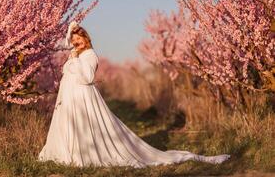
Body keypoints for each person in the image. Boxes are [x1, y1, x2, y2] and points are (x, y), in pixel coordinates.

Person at [37, 21, 231, 168]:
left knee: (89, 126)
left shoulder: (89, 55)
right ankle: (67, 153)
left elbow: (87, 77)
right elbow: (66, 74)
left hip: (82, 97)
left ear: (86, 39)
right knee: (71, 125)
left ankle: (85, 154)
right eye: (73, 39)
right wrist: (72, 59)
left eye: (79, 38)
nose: (76, 42)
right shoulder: (75, 55)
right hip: (70, 99)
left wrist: (74, 60)